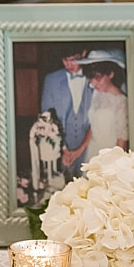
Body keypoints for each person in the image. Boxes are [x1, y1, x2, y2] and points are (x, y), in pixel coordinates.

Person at [39, 46, 92, 179]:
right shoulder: (51, 80)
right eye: (65, 60)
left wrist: (80, 150)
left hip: (92, 145)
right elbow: (47, 117)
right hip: (61, 148)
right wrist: (62, 149)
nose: (69, 65)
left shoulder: (96, 76)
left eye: (74, 59)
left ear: (84, 53)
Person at [79, 49, 128, 154]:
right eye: (91, 78)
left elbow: (121, 142)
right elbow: (94, 127)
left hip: (109, 155)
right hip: (92, 152)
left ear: (110, 74)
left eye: (98, 78)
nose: (93, 83)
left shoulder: (121, 102)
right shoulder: (97, 94)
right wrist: (79, 150)